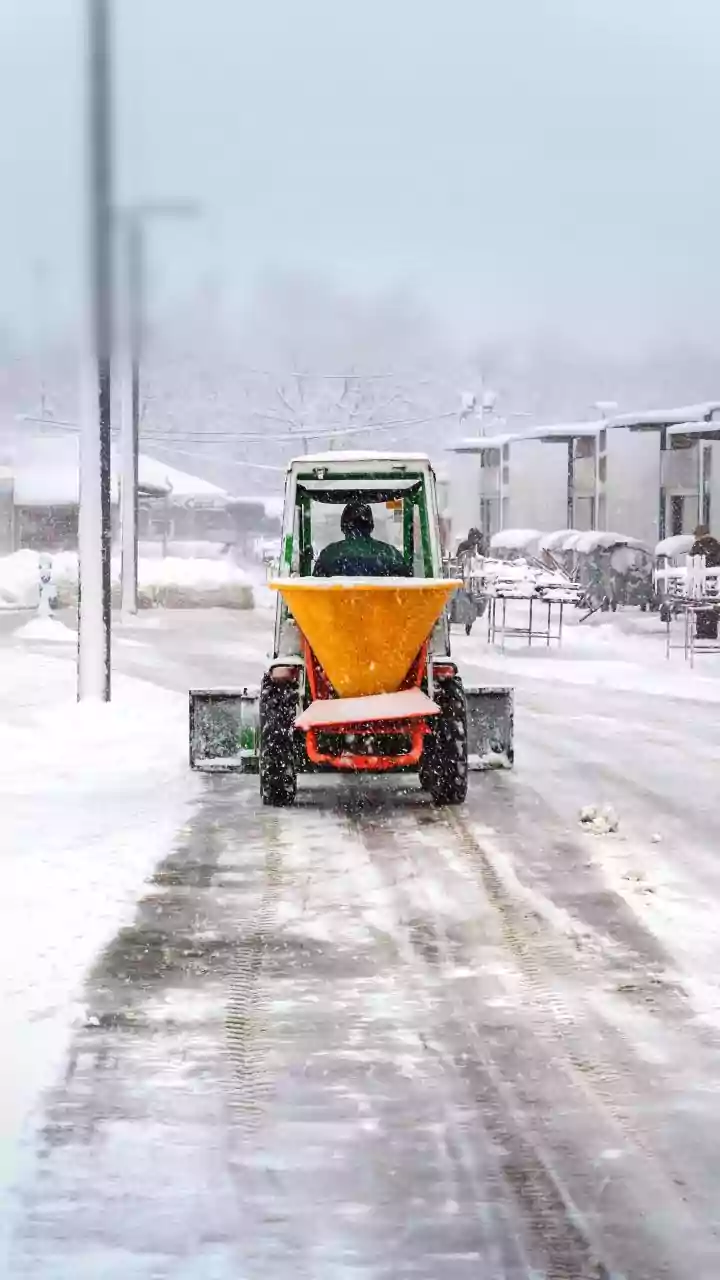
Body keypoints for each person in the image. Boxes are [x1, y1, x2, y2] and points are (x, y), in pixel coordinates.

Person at [312, 501, 411, 577]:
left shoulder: (329, 554)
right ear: (371, 526)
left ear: (343, 527)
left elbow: (313, 590)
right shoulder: (391, 554)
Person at [690, 524, 720, 639]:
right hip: (714, 580)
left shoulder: (699, 545)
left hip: (702, 580)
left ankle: (703, 630)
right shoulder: (715, 544)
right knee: (711, 606)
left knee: (701, 605)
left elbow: (693, 559)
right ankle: (710, 630)